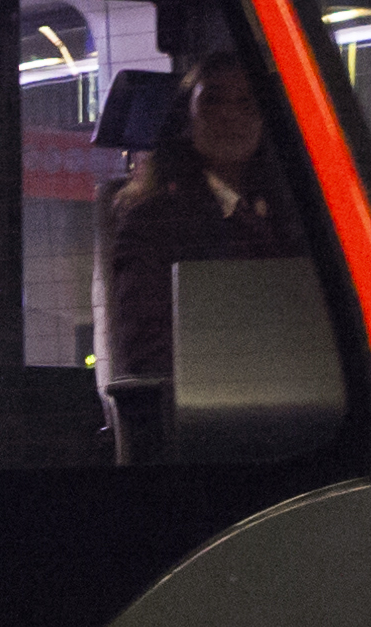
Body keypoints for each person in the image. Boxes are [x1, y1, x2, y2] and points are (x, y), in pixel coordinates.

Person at [100, 45, 306, 461]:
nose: (229, 114)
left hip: (300, 410)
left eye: (246, 103)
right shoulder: (154, 220)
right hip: (206, 429)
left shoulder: (295, 215)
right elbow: (147, 348)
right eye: (212, 100)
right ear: (186, 118)